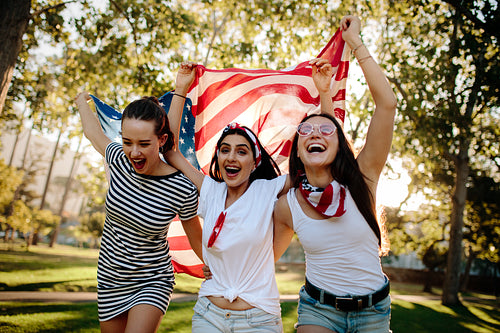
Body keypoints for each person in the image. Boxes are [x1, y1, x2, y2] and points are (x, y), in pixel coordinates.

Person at [164, 58, 335, 332]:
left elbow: (325, 161)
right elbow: (170, 151)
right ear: (218, 158)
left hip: (259, 320)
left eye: (242, 151)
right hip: (208, 315)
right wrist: (181, 88)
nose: (232, 156)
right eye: (225, 149)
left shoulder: (268, 190)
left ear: (255, 162)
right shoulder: (210, 190)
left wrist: (324, 92)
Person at [273, 15, 397, 333]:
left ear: (338, 143)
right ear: (298, 152)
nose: (316, 135)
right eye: (306, 131)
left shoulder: (363, 177)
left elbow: (386, 105)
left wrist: (355, 42)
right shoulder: (288, 204)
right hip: (319, 310)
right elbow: (262, 257)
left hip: (373, 312)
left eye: (325, 130)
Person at [74, 92, 203, 333]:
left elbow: (196, 237)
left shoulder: (181, 187)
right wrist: (82, 101)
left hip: (152, 279)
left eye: (144, 144)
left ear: (162, 140)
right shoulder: (118, 160)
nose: (134, 153)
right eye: (127, 142)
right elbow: (93, 134)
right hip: (111, 277)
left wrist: (220, 268)